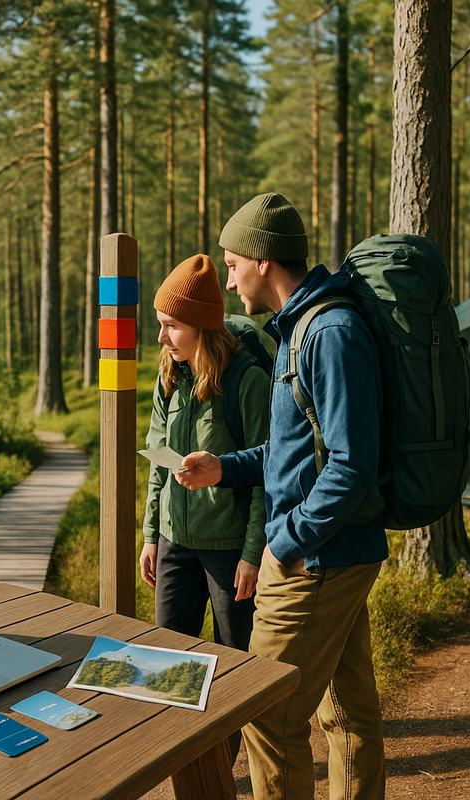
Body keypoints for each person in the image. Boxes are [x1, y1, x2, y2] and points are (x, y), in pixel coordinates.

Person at [176, 193, 388, 800]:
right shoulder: (302, 328)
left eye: (232, 263)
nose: (228, 278)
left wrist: (285, 542)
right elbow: (295, 451)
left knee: (268, 714)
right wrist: (225, 467)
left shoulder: (330, 332)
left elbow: (351, 462)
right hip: (333, 551)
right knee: (346, 713)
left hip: (316, 559)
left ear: (263, 260)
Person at [140, 253, 268, 654]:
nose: (161, 337)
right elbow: (158, 460)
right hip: (173, 542)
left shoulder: (247, 381)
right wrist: (150, 536)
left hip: (229, 550)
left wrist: (252, 554)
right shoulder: (169, 375)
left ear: (201, 325)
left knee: (236, 659)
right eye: (160, 324)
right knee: (168, 658)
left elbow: (267, 472)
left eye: (171, 326)